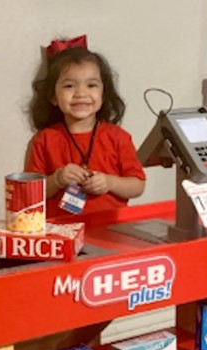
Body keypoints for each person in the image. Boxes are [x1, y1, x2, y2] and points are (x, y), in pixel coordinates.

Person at [26, 37, 145, 216]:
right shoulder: (44, 140)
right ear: (53, 96)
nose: (81, 93)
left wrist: (110, 182)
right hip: (61, 233)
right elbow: (30, 193)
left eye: (91, 85)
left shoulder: (118, 137)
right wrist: (57, 179)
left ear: (104, 93)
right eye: (69, 86)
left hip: (110, 231)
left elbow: (137, 185)